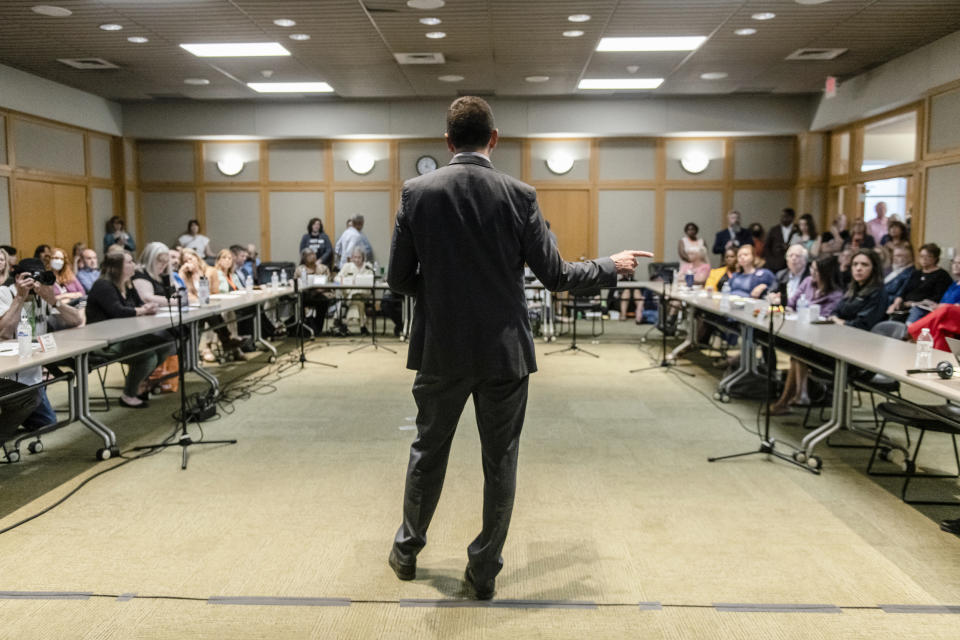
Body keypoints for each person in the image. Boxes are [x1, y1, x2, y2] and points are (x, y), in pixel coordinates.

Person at [386, 96, 650, 599]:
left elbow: (399, 280)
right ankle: (483, 572)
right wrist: (610, 265)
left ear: (447, 142)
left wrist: (443, 295)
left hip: (440, 349)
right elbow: (556, 276)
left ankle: (406, 552)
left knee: (427, 452)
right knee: (499, 461)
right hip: (503, 353)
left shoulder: (416, 192)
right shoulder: (519, 194)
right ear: (494, 138)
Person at [0, 258, 84, 432]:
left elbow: (76, 320)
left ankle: (17, 417)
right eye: (28, 277)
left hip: (33, 375)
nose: (34, 283)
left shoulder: (42, 298)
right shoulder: (4, 293)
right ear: (17, 278)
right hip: (8, 374)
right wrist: (20, 298)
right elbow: (4, 333)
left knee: (47, 423)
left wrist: (53, 300)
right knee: (26, 410)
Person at [85, 252, 175, 408]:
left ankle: (141, 383)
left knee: (165, 344)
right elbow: (118, 311)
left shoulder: (128, 284)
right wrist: (142, 310)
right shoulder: (103, 286)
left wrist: (147, 308)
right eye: (129, 262)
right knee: (148, 355)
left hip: (126, 335)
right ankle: (129, 394)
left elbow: (138, 305)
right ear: (116, 267)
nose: (134, 265)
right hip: (105, 342)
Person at [769, 256, 844, 414]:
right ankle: (798, 395)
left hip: (823, 341)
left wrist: (801, 311)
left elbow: (824, 318)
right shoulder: (807, 282)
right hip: (802, 332)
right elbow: (791, 303)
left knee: (798, 353)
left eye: (817, 270)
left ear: (827, 272)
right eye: (812, 269)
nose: (812, 273)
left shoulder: (836, 294)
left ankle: (789, 399)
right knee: (796, 352)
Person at [887, 243, 953, 324]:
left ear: (935, 258)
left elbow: (938, 297)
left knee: (913, 314)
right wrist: (896, 302)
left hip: (923, 309)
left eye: (928, 256)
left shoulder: (942, 275)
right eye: (921, 256)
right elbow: (904, 290)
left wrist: (915, 304)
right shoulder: (916, 273)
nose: (924, 259)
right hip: (905, 306)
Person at [906, 255, 960, 351]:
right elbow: (943, 302)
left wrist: (941, 307)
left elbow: (955, 307)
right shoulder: (954, 284)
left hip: (953, 316)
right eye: (954, 262)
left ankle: (911, 331)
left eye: (959, 263)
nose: (956, 265)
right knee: (940, 328)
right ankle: (937, 358)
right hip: (943, 318)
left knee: (946, 311)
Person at [831, 250, 886, 331]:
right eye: (855, 264)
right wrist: (836, 319)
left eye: (864, 265)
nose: (858, 268)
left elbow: (861, 325)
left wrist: (837, 321)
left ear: (874, 268)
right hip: (842, 332)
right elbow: (835, 311)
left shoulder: (878, 293)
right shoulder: (851, 288)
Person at [335, 246, 375, 335]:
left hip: (364, 294)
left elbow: (372, 280)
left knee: (357, 297)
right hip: (349, 296)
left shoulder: (368, 267)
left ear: (363, 257)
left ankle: (347, 323)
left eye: (359, 257)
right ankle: (362, 326)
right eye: (355, 257)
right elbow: (337, 278)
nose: (357, 260)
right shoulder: (347, 266)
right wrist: (345, 281)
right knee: (358, 300)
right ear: (352, 258)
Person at [295, 248, 332, 334]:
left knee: (324, 301)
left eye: (313, 254)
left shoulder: (323, 268)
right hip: (305, 295)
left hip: (321, 294)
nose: (312, 256)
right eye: (309, 255)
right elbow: (296, 283)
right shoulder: (300, 269)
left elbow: (329, 283)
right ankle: (304, 327)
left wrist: (319, 291)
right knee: (299, 301)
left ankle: (317, 328)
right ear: (304, 258)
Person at [133, 242, 176, 307]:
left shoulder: (165, 274)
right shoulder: (140, 273)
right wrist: (175, 301)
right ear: (150, 259)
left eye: (166, 261)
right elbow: (147, 298)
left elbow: (178, 293)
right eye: (160, 260)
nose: (163, 265)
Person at [764, 208, 798, 273]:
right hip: (774, 263)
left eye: (785, 217)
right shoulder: (774, 230)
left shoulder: (797, 229)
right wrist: (770, 260)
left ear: (792, 218)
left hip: (790, 263)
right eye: (782, 216)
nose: (782, 219)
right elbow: (767, 246)